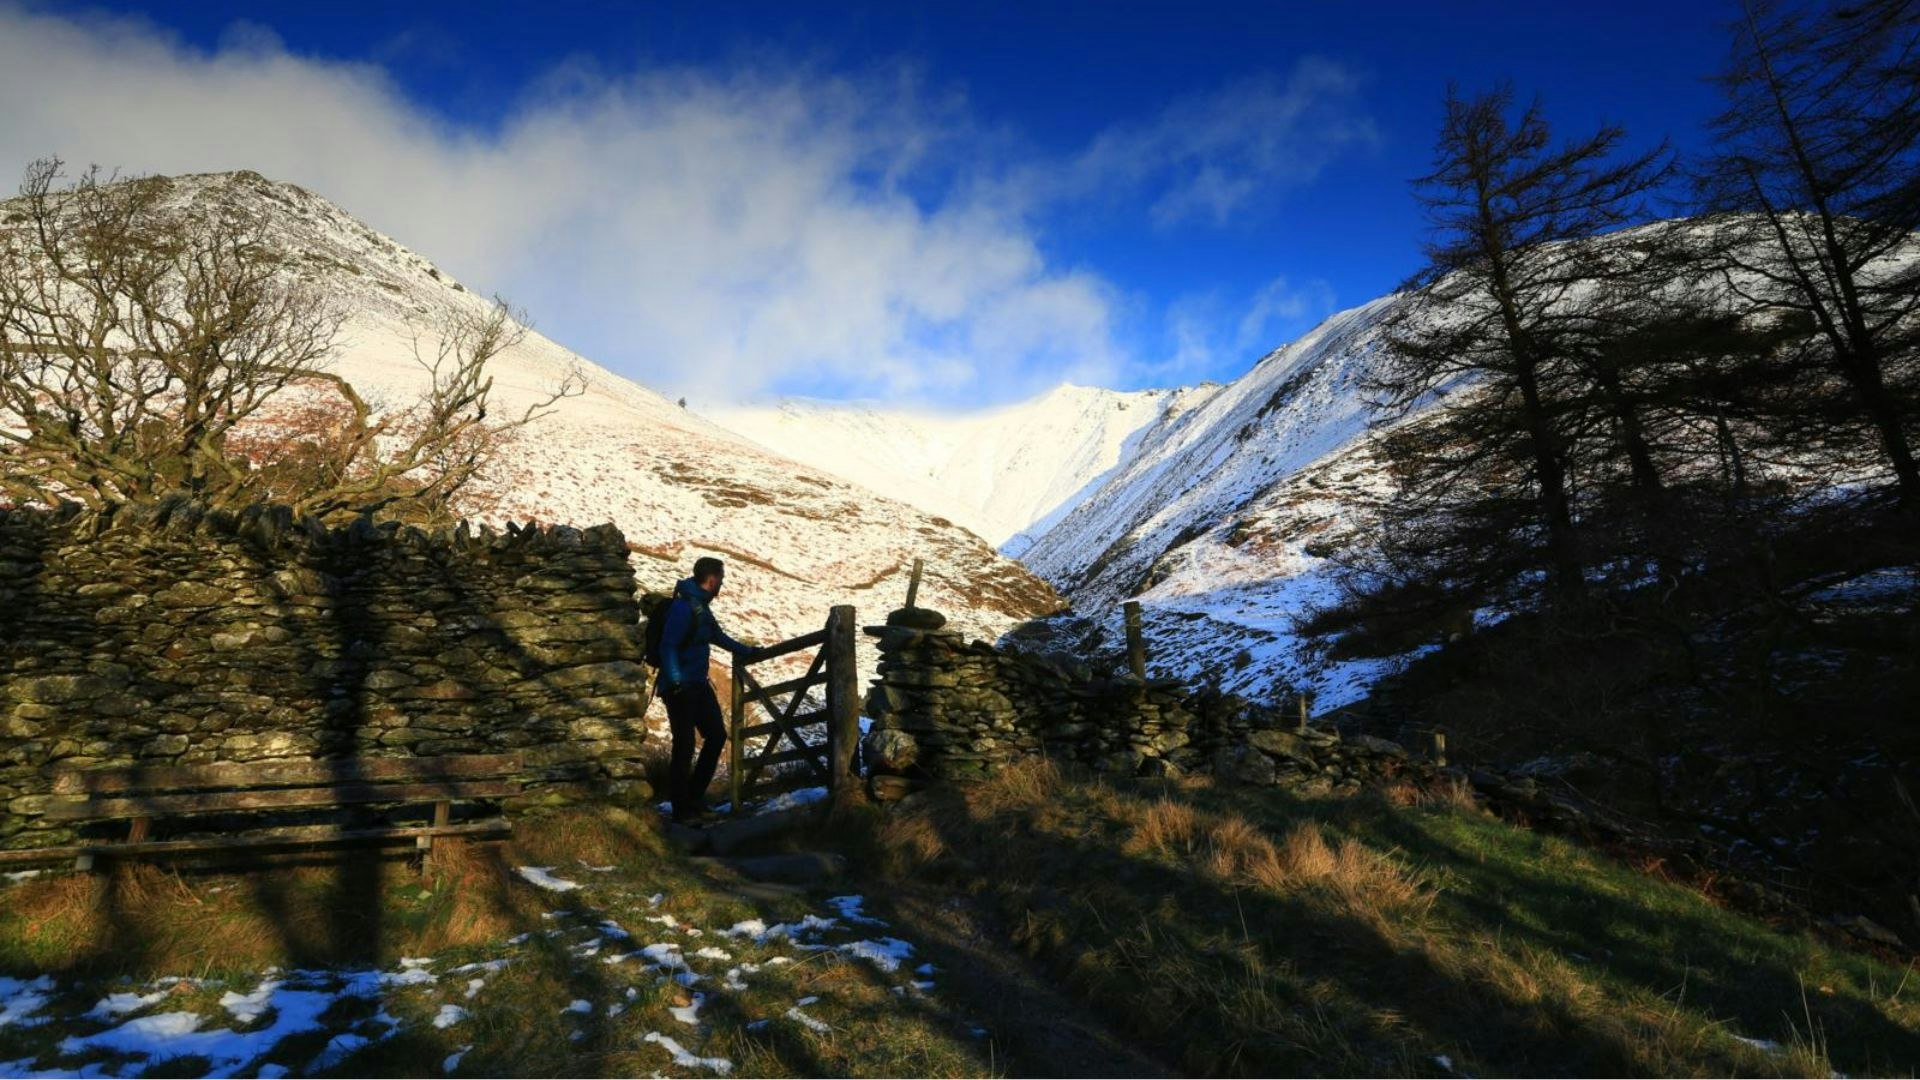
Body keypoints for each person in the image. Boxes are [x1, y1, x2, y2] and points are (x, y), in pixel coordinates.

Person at [657, 556, 756, 822]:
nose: (722, 584)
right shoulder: (683, 606)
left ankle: (693, 798)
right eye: (721, 580)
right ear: (712, 580)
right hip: (679, 686)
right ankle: (681, 810)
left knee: (715, 735)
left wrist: (748, 651)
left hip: (697, 684)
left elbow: (717, 636)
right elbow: (667, 646)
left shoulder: (700, 605)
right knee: (685, 744)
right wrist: (676, 681)